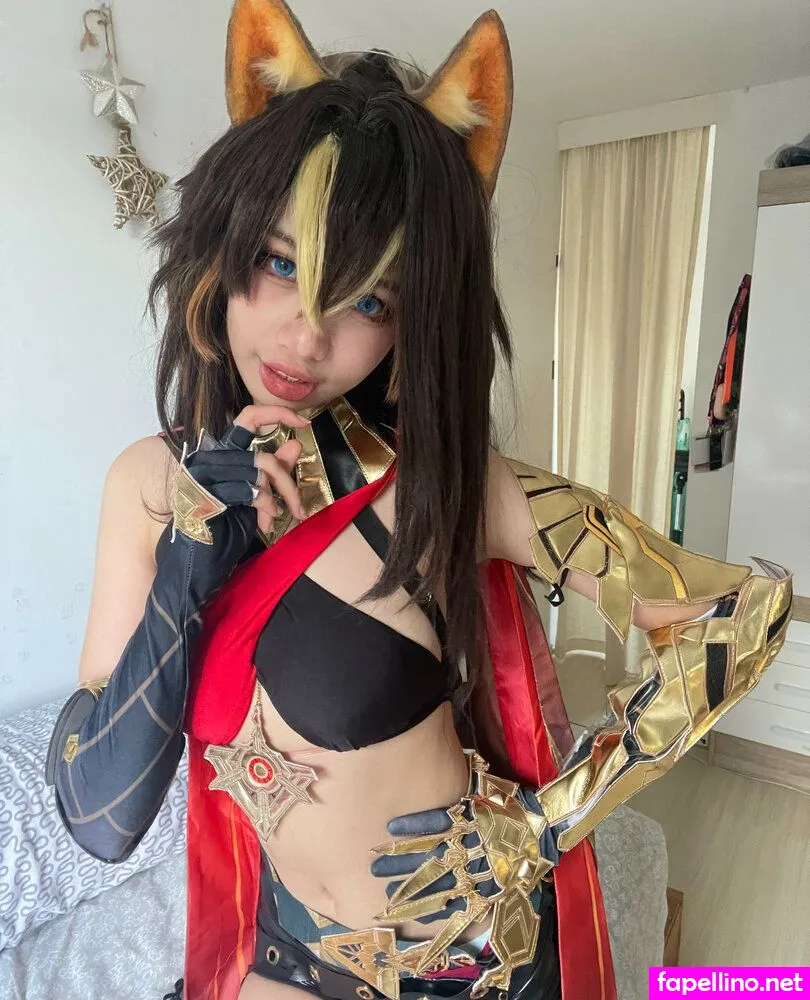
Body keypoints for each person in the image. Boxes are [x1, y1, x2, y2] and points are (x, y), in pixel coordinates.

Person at [45, 2, 792, 999]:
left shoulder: (447, 486)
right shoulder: (148, 486)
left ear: (413, 321)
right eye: (279, 261)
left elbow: (743, 615)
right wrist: (187, 569)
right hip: (289, 948)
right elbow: (100, 817)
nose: (306, 336)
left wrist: (545, 822)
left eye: (369, 300)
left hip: (472, 957)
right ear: (221, 246)